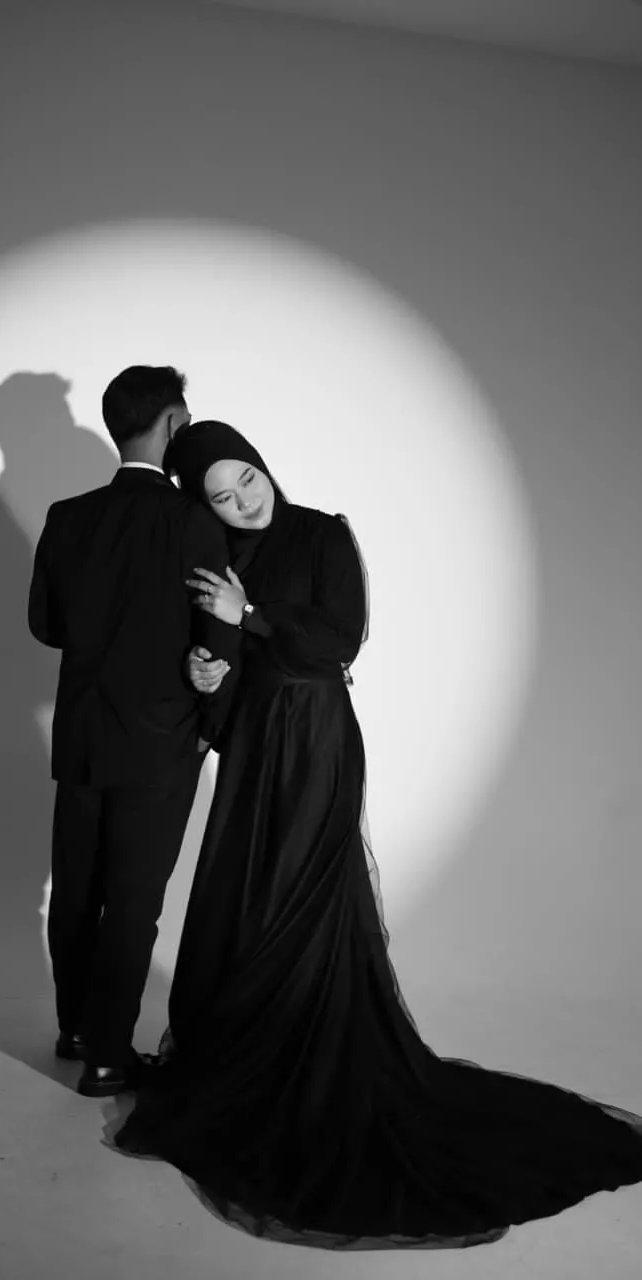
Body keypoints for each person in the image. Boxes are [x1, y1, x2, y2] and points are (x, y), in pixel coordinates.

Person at [108, 419, 642, 1250]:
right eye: (220, 496)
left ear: (261, 464)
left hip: (315, 737)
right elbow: (224, 659)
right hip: (251, 741)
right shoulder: (216, 558)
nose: (243, 501)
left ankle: (308, 1054)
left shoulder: (322, 534)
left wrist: (250, 614)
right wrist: (207, 672)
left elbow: (336, 640)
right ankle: (242, 1050)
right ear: (202, 506)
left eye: (246, 478)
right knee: (240, 893)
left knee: (302, 894)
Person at [28, 372, 241, 1098]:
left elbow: (45, 625)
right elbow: (217, 635)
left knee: (76, 889)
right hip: (161, 737)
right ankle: (109, 1057)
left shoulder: (67, 517)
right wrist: (208, 726)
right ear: (174, 424)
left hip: (82, 732)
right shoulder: (193, 522)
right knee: (132, 899)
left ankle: (76, 1030)